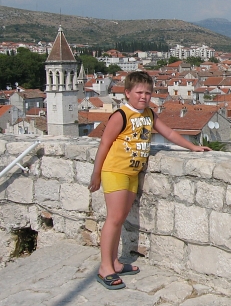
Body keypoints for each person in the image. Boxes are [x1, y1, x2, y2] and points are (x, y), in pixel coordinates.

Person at [88, 71, 211, 289]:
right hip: (115, 171)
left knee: (121, 218)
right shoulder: (121, 115)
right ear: (127, 93)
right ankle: (105, 267)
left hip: (132, 172)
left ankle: (115, 262)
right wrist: (96, 174)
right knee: (113, 219)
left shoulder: (148, 115)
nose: (144, 97)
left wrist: (193, 147)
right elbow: (104, 144)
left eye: (148, 93)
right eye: (139, 92)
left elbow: (170, 134)